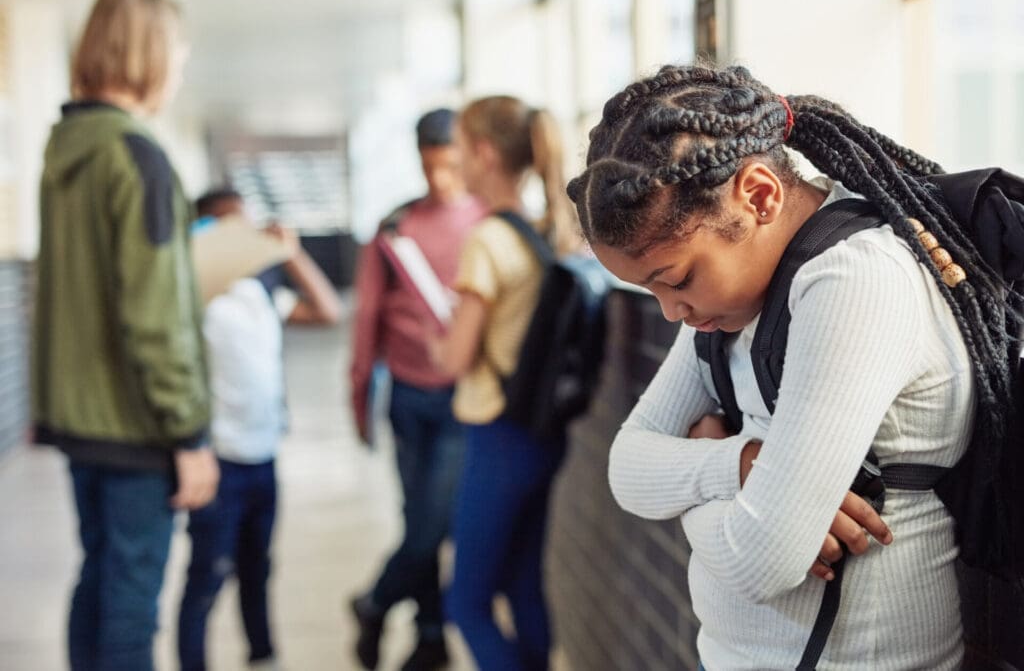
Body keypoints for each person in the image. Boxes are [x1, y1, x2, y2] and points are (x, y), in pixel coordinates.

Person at [565, 63, 1020, 669]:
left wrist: (696, 487)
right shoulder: (728, 305)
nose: (672, 312)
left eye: (674, 280)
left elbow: (762, 563)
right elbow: (627, 469)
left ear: (759, 196)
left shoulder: (853, 280)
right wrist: (743, 464)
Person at [31, 0, 217, 670]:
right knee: (133, 607)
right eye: (178, 52)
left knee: (100, 578)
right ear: (151, 54)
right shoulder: (137, 156)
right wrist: (188, 431)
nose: (180, 67)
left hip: (80, 417)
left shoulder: (65, 153)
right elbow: (154, 312)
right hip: (138, 421)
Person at [429, 96, 581, 671]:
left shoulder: (487, 241)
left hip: (497, 437)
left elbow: (456, 357)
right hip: (541, 434)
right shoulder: (544, 235)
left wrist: (436, 344)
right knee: (522, 586)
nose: (456, 164)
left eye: (461, 151)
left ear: (484, 154)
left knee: (466, 601)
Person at [177, 188, 341, 671]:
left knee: (257, 570)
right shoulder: (195, 298)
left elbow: (328, 310)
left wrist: (290, 254)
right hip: (219, 461)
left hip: (263, 457)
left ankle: (263, 655)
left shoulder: (263, 292)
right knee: (207, 579)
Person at [348, 108, 485, 671]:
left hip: (462, 397)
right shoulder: (395, 227)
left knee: (433, 525)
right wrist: (358, 394)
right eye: (430, 168)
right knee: (417, 520)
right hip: (406, 397)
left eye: (450, 166)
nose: (440, 180)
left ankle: (375, 602)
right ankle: (430, 636)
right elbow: (367, 319)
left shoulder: (485, 221)